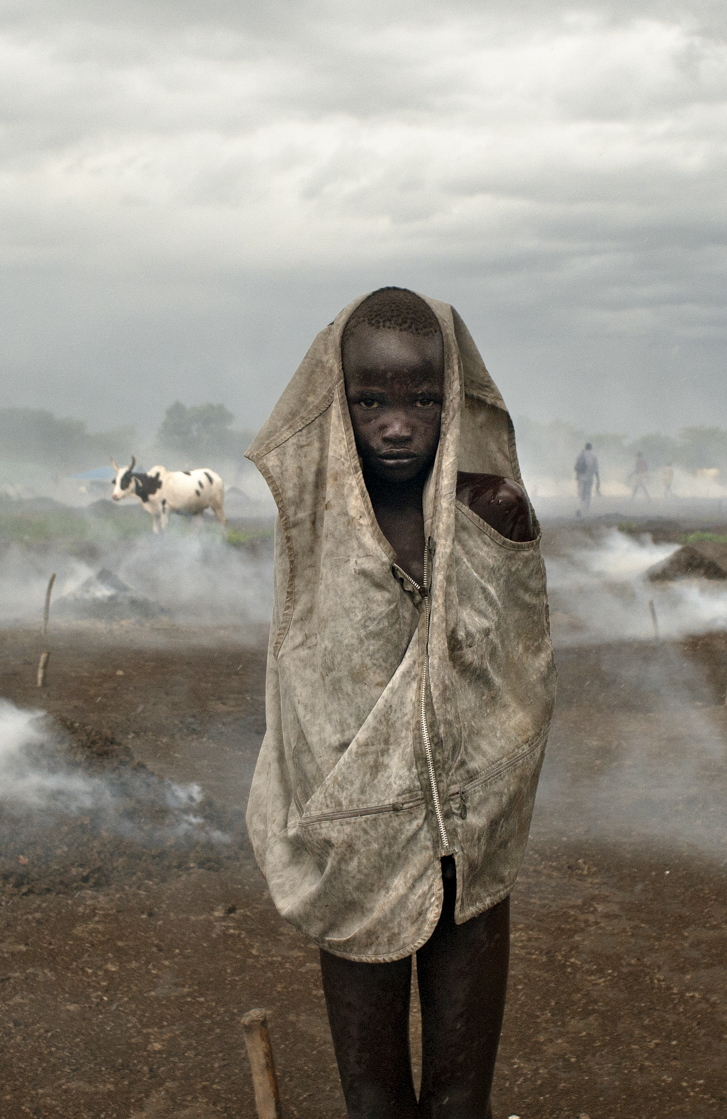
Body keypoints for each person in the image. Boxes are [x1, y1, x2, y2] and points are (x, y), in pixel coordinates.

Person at [245, 287, 552, 1119]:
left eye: (421, 398)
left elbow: (523, 683)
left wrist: (477, 787)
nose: (396, 423)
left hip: (469, 857)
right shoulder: (314, 535)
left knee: (461, 1101)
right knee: (373, 1098)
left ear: (454, 398)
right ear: (333, 402)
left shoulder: (490, 515)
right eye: (370, 399)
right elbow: (305, 691)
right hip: (356, 849)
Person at [573, 441, 599, 517]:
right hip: (589, 478)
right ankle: (586, 509)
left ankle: (578, 508)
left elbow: (576, 466)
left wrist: (577, 476)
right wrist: (598, 481)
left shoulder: (581, 454)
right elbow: (596, 470)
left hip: (581, 477)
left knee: (580, 494)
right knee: (588, 493)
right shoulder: (594, 456)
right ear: (591, 448)